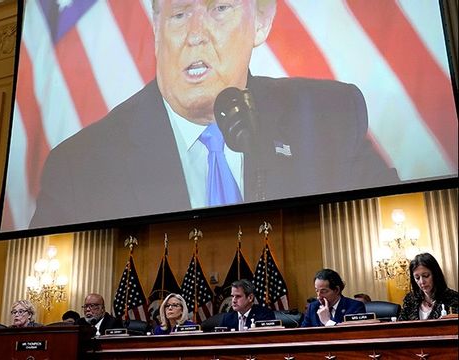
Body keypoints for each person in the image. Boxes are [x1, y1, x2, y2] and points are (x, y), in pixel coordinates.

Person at [30, 0, 398, 228]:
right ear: (156, 29)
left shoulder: (329, 116)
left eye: (219, 8)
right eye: (178, 14)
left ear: (261, 21)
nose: (195, 35)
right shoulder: (79, 166)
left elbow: (383, 218)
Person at [398, 253, 458, 321]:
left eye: (426, 276)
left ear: (435, 275)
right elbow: (399, 326)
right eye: (417, 278)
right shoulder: (410, 299)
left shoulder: (453, 298)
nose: (422, 282)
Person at [301, 269, 365, 327]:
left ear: (337, 290)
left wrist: (327, 322)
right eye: (317, 291)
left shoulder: (355, 307)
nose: (319, 296)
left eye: (324, 291)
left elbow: (353, 335)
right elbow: (302, 335)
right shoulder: (313, 308)